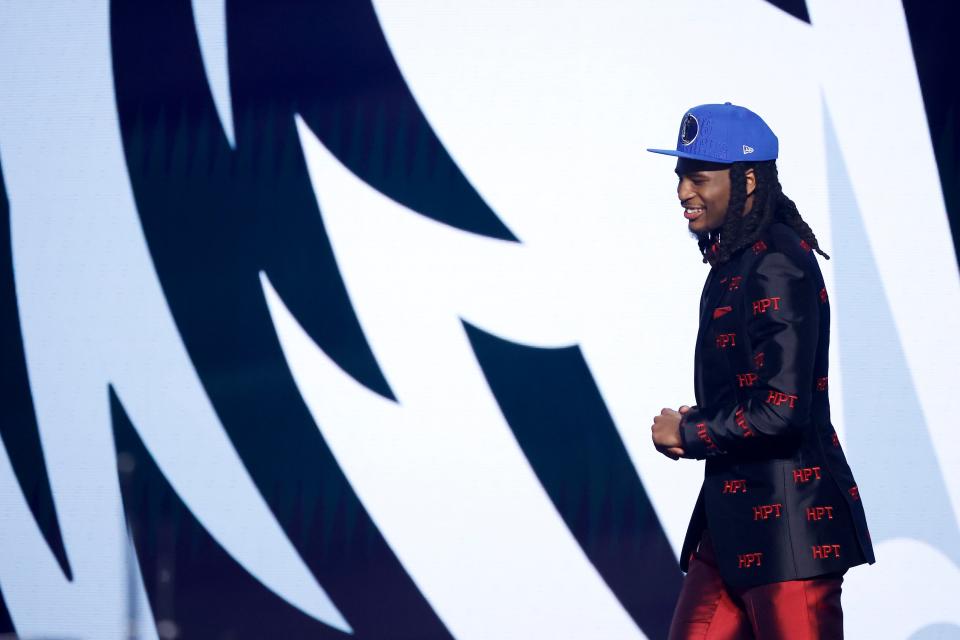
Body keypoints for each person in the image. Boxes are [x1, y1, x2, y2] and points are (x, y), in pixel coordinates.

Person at [646, 103, 874, 639]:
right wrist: (706, 418)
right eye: (680, 176)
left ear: (747, 179)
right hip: (728, 533)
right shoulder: (737, 257)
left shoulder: (777, 259)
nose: (683, 191)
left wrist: (693, 432)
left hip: (792, 537)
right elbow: (760, 394)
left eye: (698, 177)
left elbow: (784, 412)